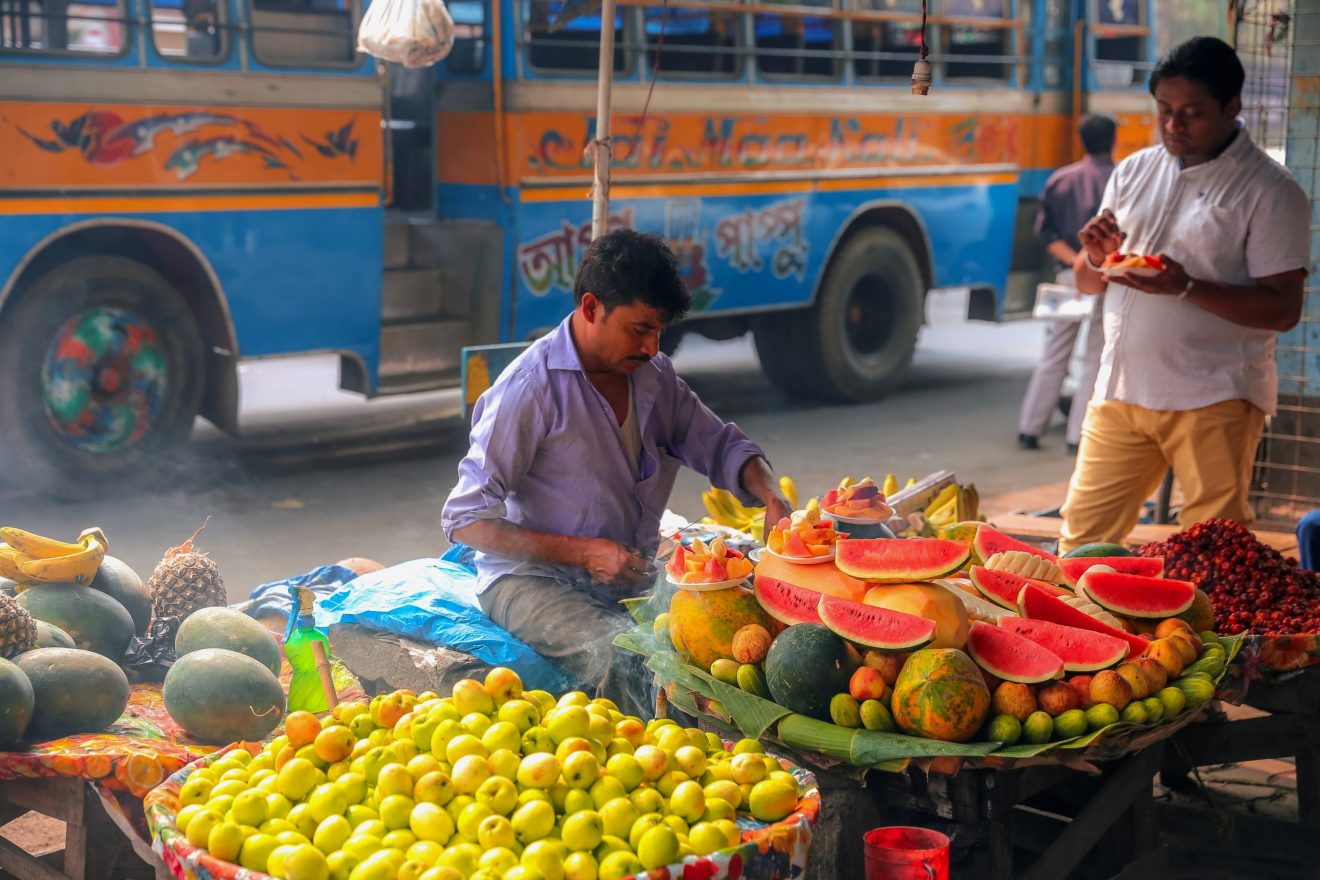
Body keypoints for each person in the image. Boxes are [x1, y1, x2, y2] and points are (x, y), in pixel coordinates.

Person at [442, 229, 790, 717]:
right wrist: (583, 552)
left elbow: (722, 445)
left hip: (629, 577)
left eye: (659, 331)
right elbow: (464, 520)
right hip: (529, 581)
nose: (652, 346)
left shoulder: (655, 377)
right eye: (639, 329)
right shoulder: (529, 388)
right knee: (631, 664)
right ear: (590, 308)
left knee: (722, 650)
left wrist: (770, 495)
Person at [1059, 36, 1310, 553]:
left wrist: (1186, 286)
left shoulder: (1270, 190)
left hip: (1214, 395)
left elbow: (1284, 309)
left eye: (1192, 113)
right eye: (1165, 111)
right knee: (1080, 543)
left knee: (1216, 558)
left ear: (1232, 106)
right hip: (1121, 391)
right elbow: (1088, 282)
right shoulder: (1132, 171)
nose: (1174, 126)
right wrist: (1098, 255)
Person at [1017, 114, 1116, 454]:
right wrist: (1090, 262)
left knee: (1055, 352)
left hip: (1066, 276)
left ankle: (1030, 428)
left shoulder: (1060, 179)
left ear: (1082, 140)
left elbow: (1046, 233)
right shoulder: (1119, 180)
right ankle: (1078, 436)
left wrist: (1075, 263)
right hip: (1105, 278)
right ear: (1113, 140)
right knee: (1095, 357)